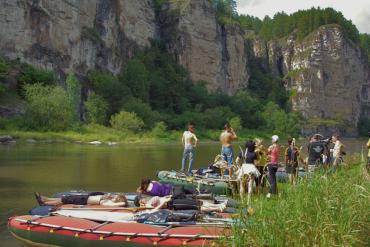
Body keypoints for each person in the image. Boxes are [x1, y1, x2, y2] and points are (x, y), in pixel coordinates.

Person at [135, 195, 229, 213]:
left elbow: (160, 199)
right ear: (140, 202)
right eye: (141, 199)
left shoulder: (150, 200)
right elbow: (155, 210)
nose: (143, 198)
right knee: (197, 207)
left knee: (197, 203)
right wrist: (163, 202)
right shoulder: (148, 205)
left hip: (174, 201)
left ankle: (218, 206)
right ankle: (217, 208)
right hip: (173, 205)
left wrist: (168, 196)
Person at [34, 192, 128, 207]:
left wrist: (122, 201)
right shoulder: (110, 200)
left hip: (84, 201)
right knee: (66, 198)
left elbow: (123, 203)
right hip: (85, 198)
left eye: (116, 196)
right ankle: (45, 199)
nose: (114, 196)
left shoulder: (110, 204)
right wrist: (107, 196)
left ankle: (44, 203)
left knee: (64, 200)